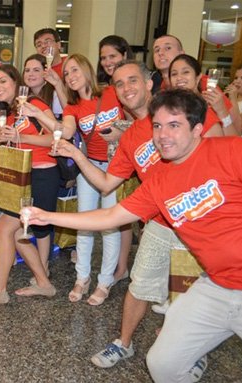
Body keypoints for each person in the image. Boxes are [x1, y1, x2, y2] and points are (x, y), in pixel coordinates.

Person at [27, 88, 242, 382]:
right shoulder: (160, 183)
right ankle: (126, 343)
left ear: (197, 129)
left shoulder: (232, 151)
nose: (163, 135)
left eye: (174, 125)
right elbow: (110, 215)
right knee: (163, 365)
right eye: (157, 126)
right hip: (217, 287)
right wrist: (47, 216)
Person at [24, 54, 123, 306]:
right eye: (67, 74)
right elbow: (65, 131)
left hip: (117, 166)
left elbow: (139, 121)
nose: (71, 76)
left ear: (87, 69)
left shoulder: (112, 93)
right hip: (88, 167)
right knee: (84, 223)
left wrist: (123, 132)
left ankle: (104, 281)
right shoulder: (73, 107)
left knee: (110, 226)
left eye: (75, 70)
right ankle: (82, 278)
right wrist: (36, 112)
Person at [0, 64, 58, 304]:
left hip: (42, 176)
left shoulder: (35, 105)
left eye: (2, 82)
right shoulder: (10, 113)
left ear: (16, 82)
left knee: (5, 227)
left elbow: (57, 136)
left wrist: (21, 137)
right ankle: (44, 284)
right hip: (23, 177)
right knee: (16, 233)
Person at [96, 34, 136, 285]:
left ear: (124, 55)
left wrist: (123, 133)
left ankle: (122, 267)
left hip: (129, 158)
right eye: (103, 58)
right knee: (119, 213)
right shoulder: (106, 89)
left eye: (113, 56)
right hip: (109, 158)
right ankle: (119, 266)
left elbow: (142, 121)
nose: (108, 61)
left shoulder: (130, 87)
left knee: (124, 214)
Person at [168, 54, 224, 137]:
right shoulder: (169, 107)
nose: (179, 77)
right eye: (174, 74)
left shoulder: (204, 109)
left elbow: (217, 146)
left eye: (185, 72)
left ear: (198, 77)